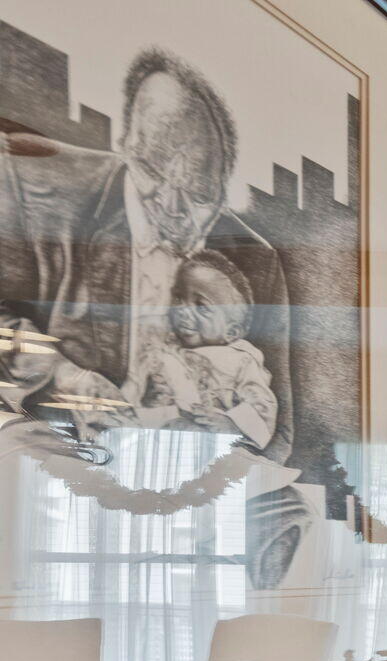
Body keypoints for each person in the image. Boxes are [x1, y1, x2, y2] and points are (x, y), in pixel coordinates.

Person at [0, 48, 292, 457]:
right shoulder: (33, 188)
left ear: (224, 188)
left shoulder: (255, 261)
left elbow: (279, 438)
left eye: (199, 193)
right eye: (154, 173)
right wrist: (68, 380)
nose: (173, 209)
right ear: (126, 149)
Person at [124, 250, 278, 448]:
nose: (182, 310)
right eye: (179, 298)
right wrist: (150, 400)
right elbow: (131, 402)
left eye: (201, 306)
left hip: (216, 447)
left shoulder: (241, 359)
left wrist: (232, 425)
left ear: (231, 332)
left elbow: (262, 405)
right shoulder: (160, 352)